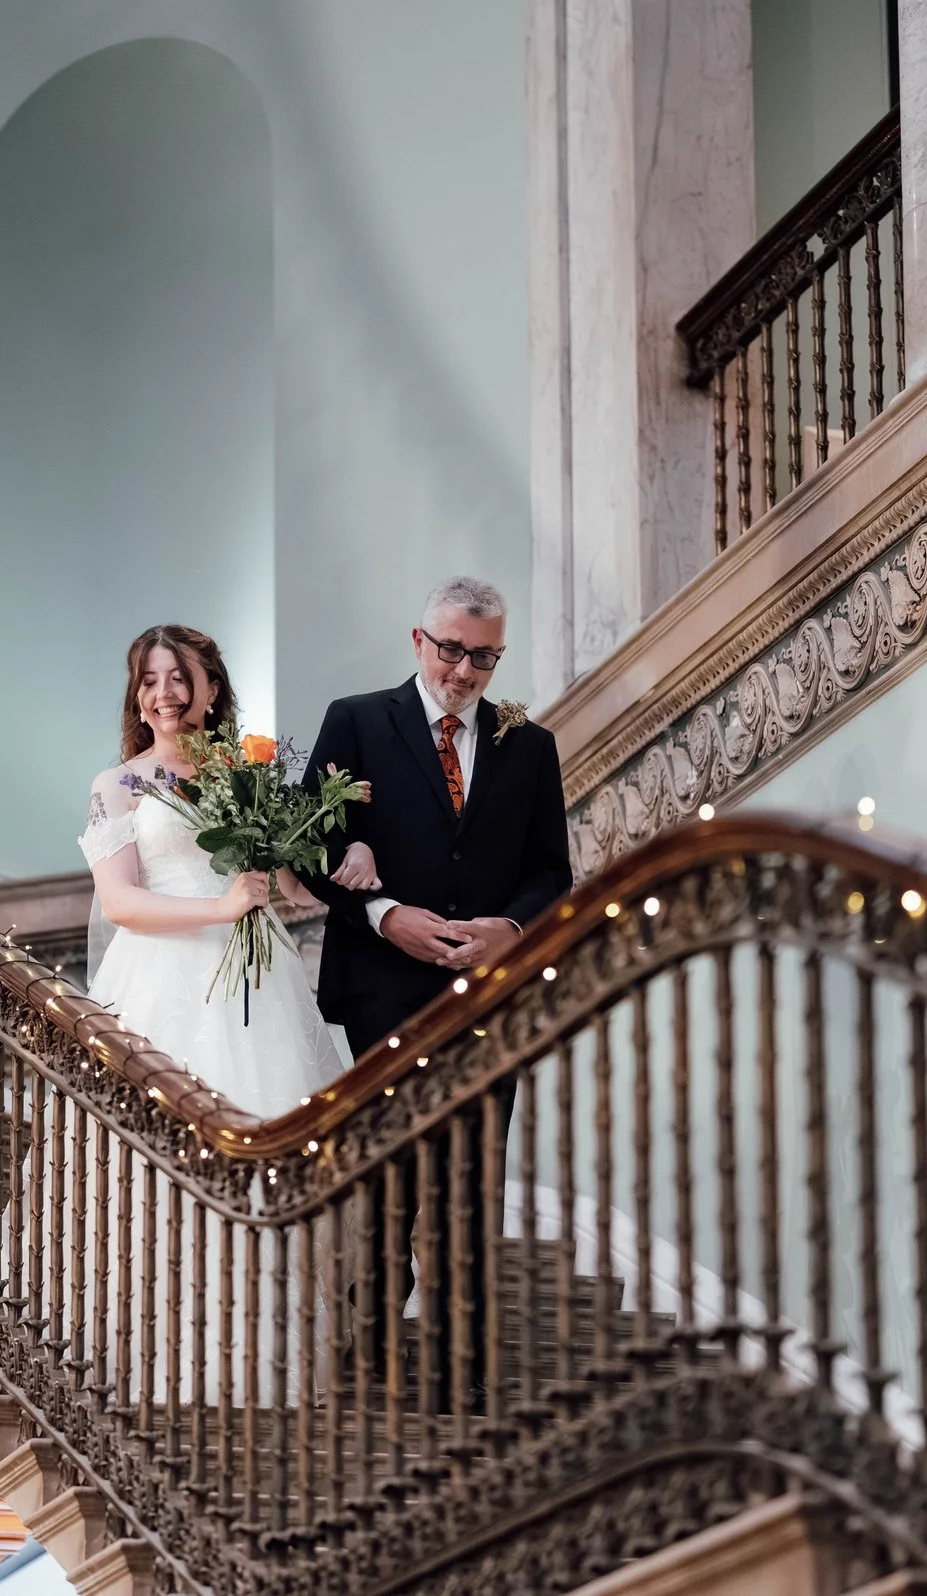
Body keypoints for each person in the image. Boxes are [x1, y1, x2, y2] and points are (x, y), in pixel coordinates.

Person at [300, 576, 573, 1397]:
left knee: (472, 1169)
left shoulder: (531, 745)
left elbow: (550, 872)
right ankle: (374, 1345)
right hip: (382, 984)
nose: (464, 670)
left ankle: (467, 1353)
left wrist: (512, 929)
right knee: (391, 1168)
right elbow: (314, 849)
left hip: (488, 993)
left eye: (483, 655)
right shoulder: (356, 720)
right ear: (419, 641)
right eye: (452, 649)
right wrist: (385, 914)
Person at [78, 624, 348, 1120]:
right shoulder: (117, 785)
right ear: (137, 698)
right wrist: (223, 908)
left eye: (179, 678)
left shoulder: (246, 773)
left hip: (258, 974)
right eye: (149, 681)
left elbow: (294, 887)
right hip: (159, 976)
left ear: (213, 690)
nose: (165, 694)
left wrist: (338, 845)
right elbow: (119, 902)